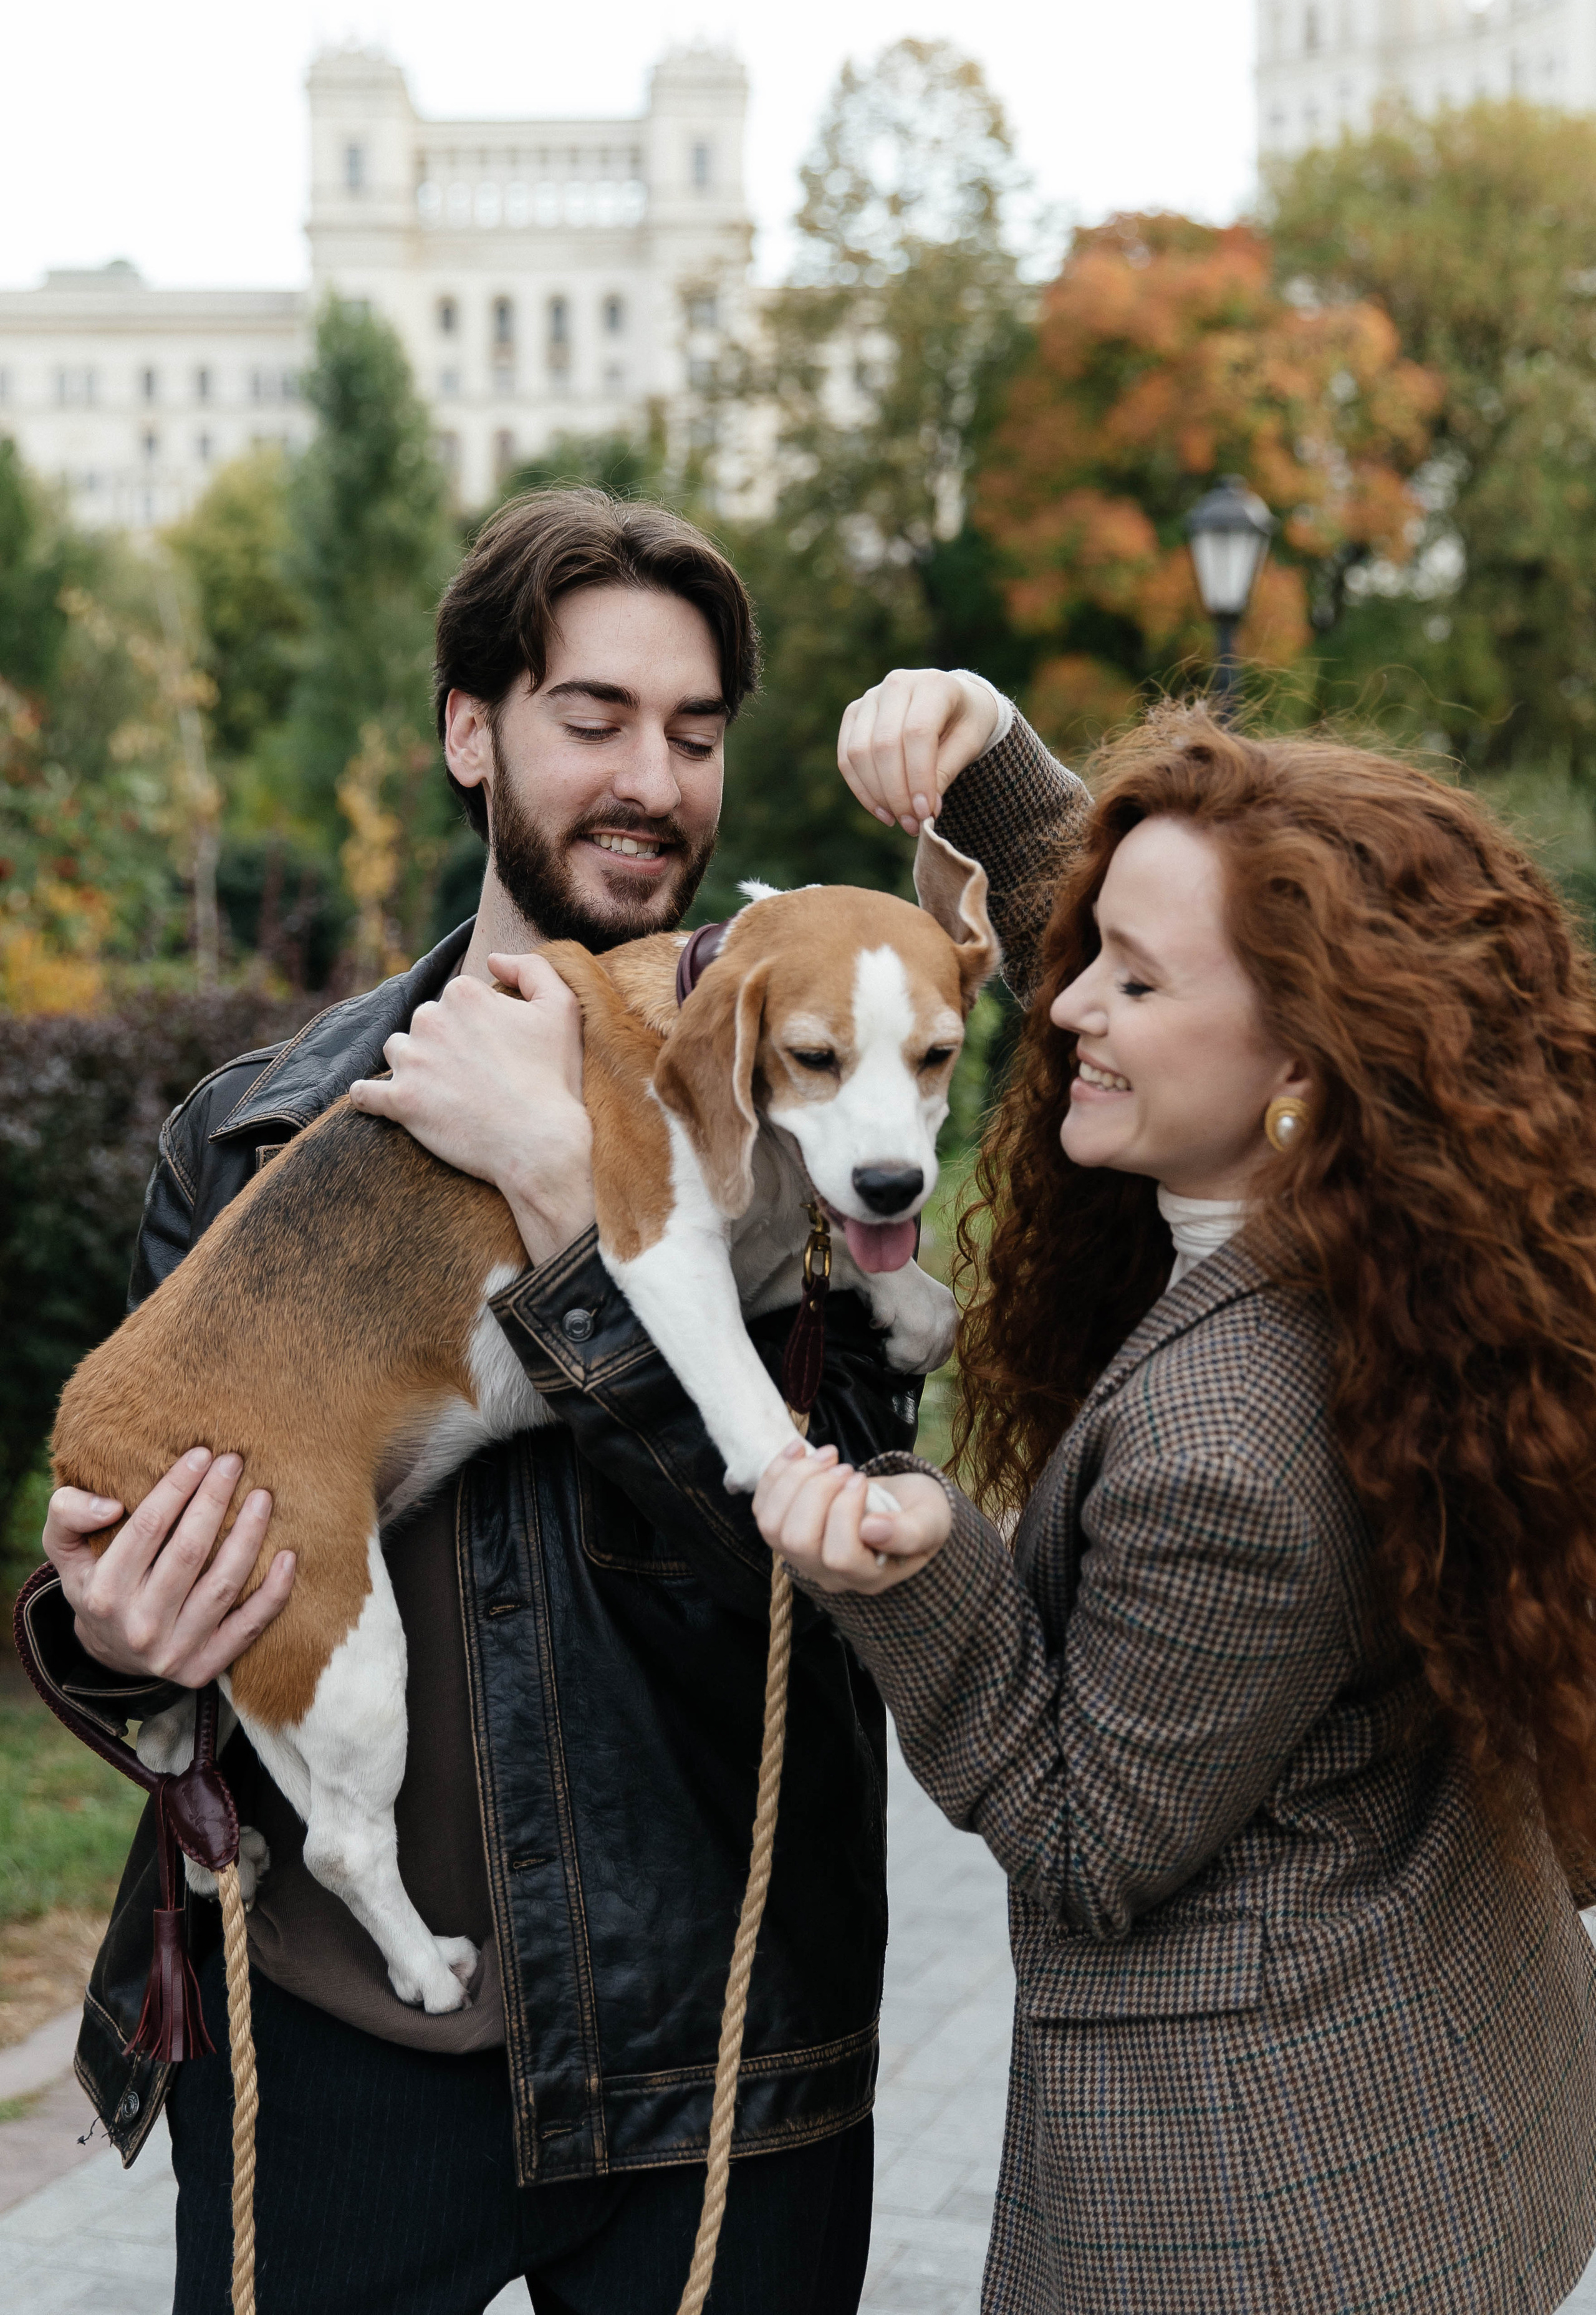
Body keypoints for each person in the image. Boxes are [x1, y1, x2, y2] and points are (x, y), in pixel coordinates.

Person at [26, 490, 1080, 2315]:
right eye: (592, 718)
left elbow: (824, 1570)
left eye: (693, 732)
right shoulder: (258, 1127)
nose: (651, 779)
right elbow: (164, 1502)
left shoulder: (822, 1106)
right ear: (470, 730)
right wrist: (110, 1626)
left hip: (728, 2047)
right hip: (329, 2043)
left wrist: (567, 1201)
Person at [756, 700, 1596, 2313]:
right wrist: (999, 763)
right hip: (1427, 2095)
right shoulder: (1402, 1264)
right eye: (1089, 953)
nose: (1063, 1001)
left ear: (1304, 1052)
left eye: (1126, 984)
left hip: (1248, 2215)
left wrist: (927, 1573)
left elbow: (1087, 1842)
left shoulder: (1230, 1449)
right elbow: (1202, 915)